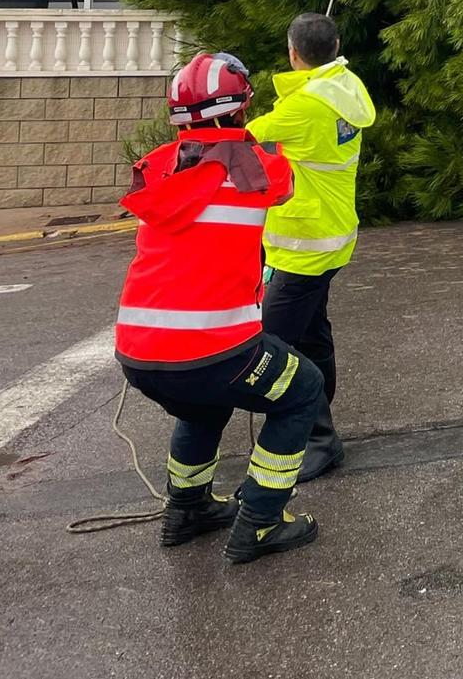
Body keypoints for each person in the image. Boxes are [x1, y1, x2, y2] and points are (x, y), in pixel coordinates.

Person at [116, 51, 325, 563]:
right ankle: (259, 521)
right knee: (302, 391)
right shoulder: (259, 167)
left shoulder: (158, 167)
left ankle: (186, 509)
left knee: (203, 406)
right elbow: (285, 182)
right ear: (240, 111)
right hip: (217, 348)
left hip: (140, 352)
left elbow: (199, 167)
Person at [249, 12, 375, 482]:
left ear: (292, 52)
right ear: (337, 46)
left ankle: (319, 438)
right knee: (310, 333)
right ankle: (320, 430)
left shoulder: (303, 108)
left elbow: (239, 141)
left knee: (272, 344)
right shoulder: (345, 88)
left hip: (303, 246)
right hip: (330, 236)